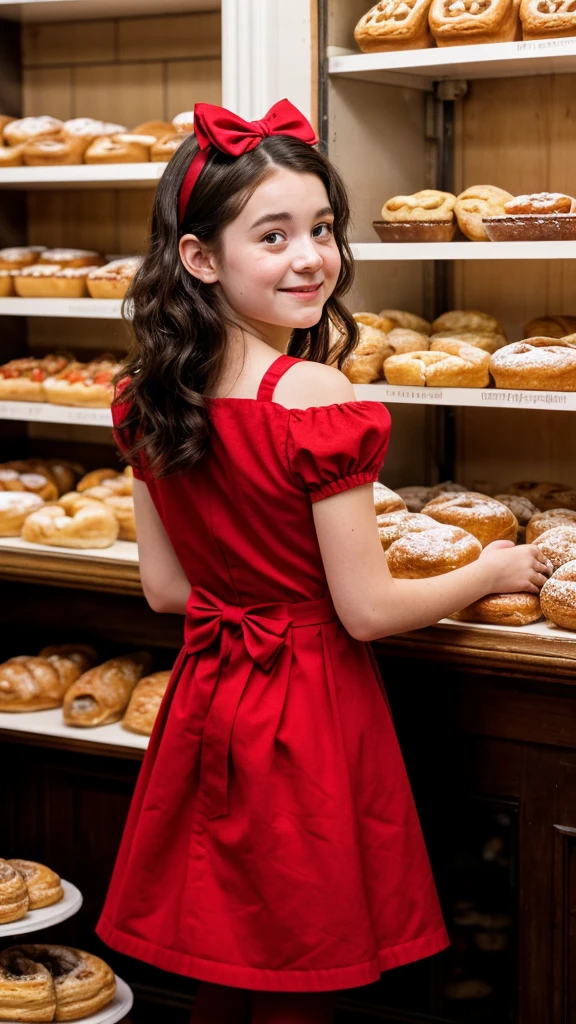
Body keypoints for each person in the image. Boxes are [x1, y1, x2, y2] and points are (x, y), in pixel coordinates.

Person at [96, 100, 552, 1024]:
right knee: (304, 967)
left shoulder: (148, 394)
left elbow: (167, 589)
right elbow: (369, 610)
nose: (311, 256)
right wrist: (492, 570)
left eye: (323, 229)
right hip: (304, 703)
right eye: (273, 235)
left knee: (224, 961)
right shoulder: (312, 393)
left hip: (210, 693)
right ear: (201, 257)